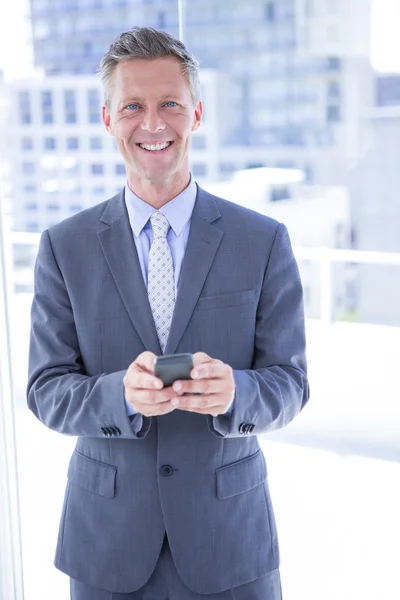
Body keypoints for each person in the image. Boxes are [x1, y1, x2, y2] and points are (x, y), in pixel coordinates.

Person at [27, 26, 309, 600]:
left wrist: (237, 394)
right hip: (106, 545)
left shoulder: (263, 240)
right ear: (108, 119)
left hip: (229, 544)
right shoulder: (64, 246)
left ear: (197, 114)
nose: (152, 124)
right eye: (132, 106)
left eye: (170, 105)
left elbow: (291, 382)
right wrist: (119, 397)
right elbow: (46, 389)